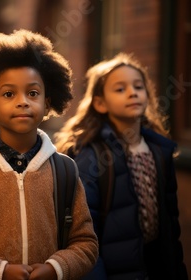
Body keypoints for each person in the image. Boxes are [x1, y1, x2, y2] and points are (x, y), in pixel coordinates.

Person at [0, 29, 99, 280]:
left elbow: (86, 244)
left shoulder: (65, 170)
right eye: (9, 94)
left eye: (33, 93)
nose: (23, 102)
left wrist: (55, 269)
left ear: (47, 103)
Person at [55, 53, 188, 280]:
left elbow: (170, 230)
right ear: (100, 103)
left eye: (138, 86)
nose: (132, 93)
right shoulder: (91, 156)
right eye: (120, 89)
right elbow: (84, 235)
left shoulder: (159, 151)